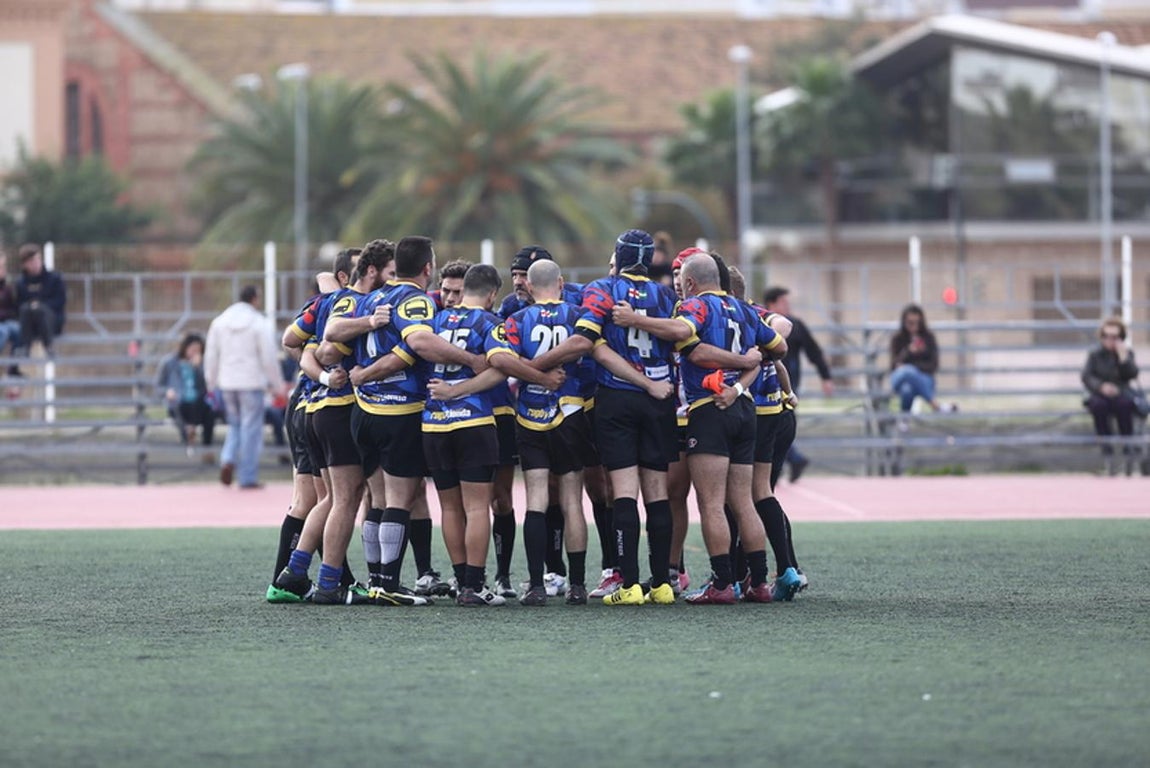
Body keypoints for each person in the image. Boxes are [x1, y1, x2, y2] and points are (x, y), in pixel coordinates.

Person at [530, 229, 679, 606]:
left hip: (617, 398)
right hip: (660, 396)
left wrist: (530, 366)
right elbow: (681, 337)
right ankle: (661, 583)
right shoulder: (666, 294)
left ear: (618, 255)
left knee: (624, 491)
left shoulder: (604, 288)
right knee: (657, 493)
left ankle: (629, 585)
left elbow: (585, 342)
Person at [204, 285, 285, 489]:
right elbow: (269, 358)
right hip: (251, 382)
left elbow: (211, 355)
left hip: (227, 382)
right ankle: (247, 475)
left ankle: (228, 458)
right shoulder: (259, 323)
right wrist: (278, 385)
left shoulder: (219, 322)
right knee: (251, 429)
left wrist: (211, 382)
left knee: (236, 425)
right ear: (255, 299)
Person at [763, 286, 833, 482]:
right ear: (772, 304)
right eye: (784, 302)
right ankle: (792, 460)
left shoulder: (796, 326)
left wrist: (825, 377)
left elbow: (814, 351)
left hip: (789, 387)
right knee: (773, 429)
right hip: (764, 386)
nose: (789, 306)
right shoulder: (761, 323)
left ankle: (789, 462)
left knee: (782, 427)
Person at [1082, 317, 1142, 473]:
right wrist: (1101, 386)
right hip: (1101, 396)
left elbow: (1132, 375)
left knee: (1125, 405)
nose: (1109, 340)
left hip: (1121, 394)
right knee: (1098, 406)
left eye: (1114, 337)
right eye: (1106, 336)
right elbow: (1086, 376)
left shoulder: (1126, 353)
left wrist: (1123, 359)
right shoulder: (1095, 354)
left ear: (1121, 338)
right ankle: (1107, 453)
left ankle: (1128, 451)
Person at [889, 303, 953, 421]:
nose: (913, 326)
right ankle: (935, 405)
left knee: (907, 388)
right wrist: (908, 351)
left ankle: (904, 421)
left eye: (917, 323)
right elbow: (894, 365)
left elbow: (933, 365)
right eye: (910, 323)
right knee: (906, 373)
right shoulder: (898, 339)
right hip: (899, 378)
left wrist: (911, 367)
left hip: (924, 379)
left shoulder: (928, 338)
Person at [157, 332, 215, 450]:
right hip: (179, 402)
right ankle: (188, 437)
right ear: (185, 347)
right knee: (178, 405)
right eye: (193, 349)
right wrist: (167, 392)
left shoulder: (203, 363)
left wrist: (198, 368)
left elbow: (208, 385)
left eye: (198, 350)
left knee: (210, 410)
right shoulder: (169, 362)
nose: (195, 353)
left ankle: (206, 448)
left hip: (199, 403)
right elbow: (159, 386)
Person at [15, 243, 66, 355]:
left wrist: (39, 305)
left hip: (52, 321)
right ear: (24, 264)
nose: (36, 263)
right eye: (32, 261)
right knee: (25, 309)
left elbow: (59, 301)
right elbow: (19, 304)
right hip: (30, 324)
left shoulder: (54, 278)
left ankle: (48, 346)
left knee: (40, 310)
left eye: (38, 259)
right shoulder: (21, 282)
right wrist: (31, 306)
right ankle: (26, 347)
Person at [0, 250, 24, 375]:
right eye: (0, 267)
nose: (3, 270)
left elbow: (13, 308)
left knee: (19, 331)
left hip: (6, 322)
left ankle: (13, 369)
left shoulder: (8, 287)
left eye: (4, 266)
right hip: (2, 325)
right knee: (3, 332)